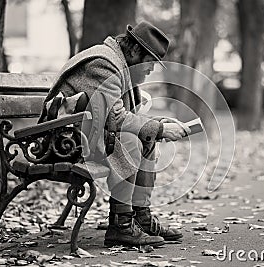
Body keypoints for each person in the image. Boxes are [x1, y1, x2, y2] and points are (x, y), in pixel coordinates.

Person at [41, 21, 190, 247]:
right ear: (134, 50)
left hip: (81, 137)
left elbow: (115, 117)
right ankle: (120, 225)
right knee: (130, 139)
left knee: (143, 136)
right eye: (150, 62)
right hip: (61, 144)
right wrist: (159, 128)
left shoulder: (118, 64)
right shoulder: (103, 63)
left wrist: (156, 126)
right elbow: (116, 119)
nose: (152, 69)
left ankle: (140, 216)